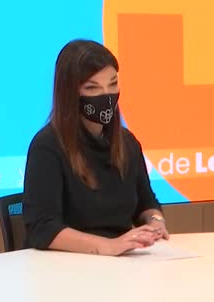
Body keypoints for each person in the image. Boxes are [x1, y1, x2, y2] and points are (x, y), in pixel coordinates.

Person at [22, 39, 168, 255]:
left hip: (120, 261)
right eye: (92, 87)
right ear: (71, 93)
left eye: (113, 84)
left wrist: (155, 221)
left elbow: (146, 202)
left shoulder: (127, 143)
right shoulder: (47, 146)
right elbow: (43, 227)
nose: (106, 95)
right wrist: (106, 246)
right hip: (65, 264)